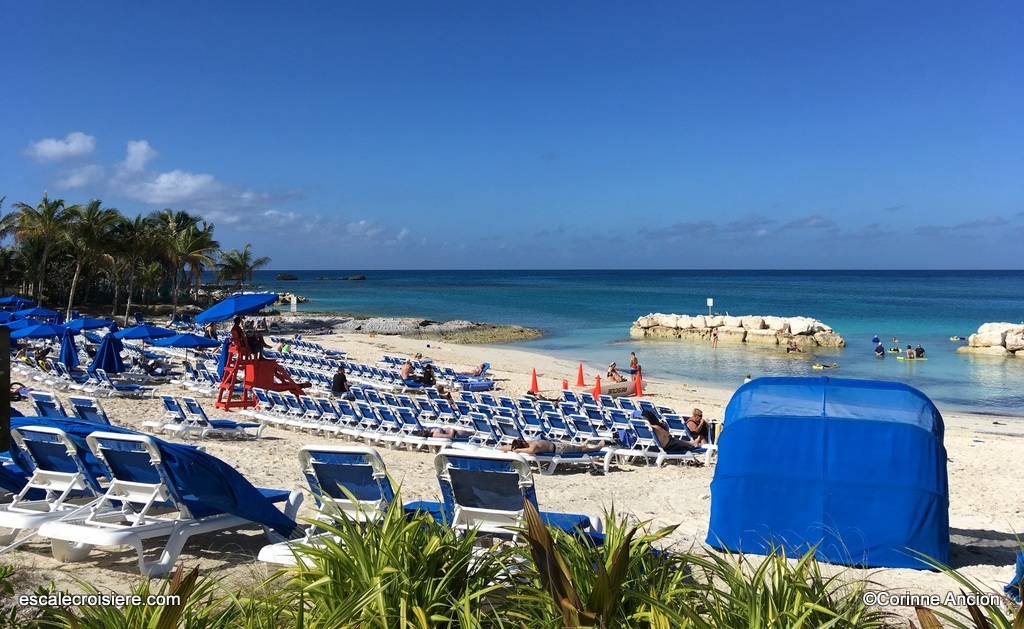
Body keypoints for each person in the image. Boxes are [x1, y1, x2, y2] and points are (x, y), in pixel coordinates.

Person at [501, 437, 606, 455]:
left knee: (578, 447)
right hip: (559, 449)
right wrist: (519, 450)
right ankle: (597, 448)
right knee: (579, 450)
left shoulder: (525, 445)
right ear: (523, 444)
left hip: (557, 446)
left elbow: (503, 447)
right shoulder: (532, 447)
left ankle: (583, 446)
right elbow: (532, 450)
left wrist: (515, 449)